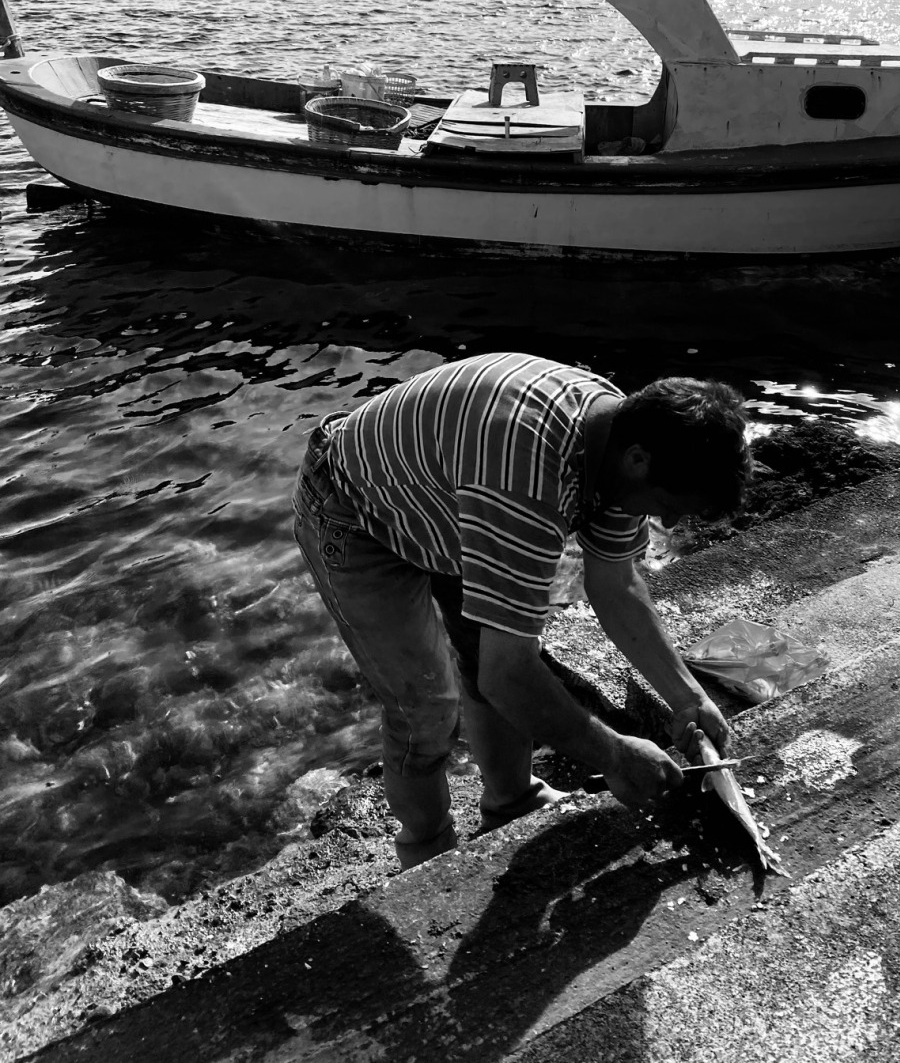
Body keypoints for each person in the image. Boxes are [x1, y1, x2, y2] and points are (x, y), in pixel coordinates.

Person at [292, 350, 751, 868]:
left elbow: (616, 585)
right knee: (424, 706)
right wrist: (616, 756)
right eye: (670, 503)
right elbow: (508, 676)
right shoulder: (529, 479)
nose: (666, 518)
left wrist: (687, 698)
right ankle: (426, 850)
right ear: (639, 460)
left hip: (449, 493)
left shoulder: (623, 441)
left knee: (488, 648)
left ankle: (511, 800)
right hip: (354, 506)